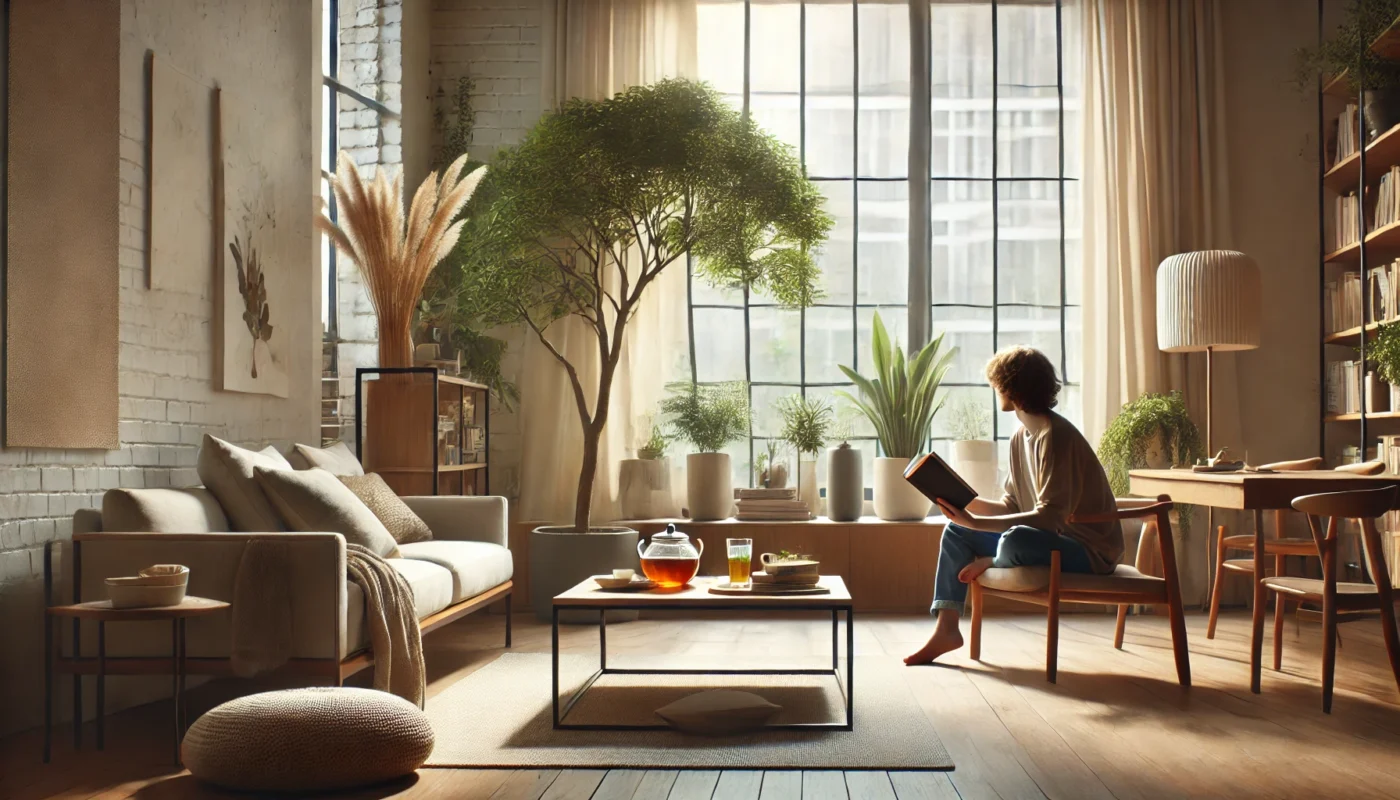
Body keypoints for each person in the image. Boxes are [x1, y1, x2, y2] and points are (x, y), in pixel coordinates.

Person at [904, 345, 1120, 666]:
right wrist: (966, 503)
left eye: (997, 385)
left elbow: (1049, 518)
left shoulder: (1057, 437)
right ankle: (947, 628)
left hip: (1087, 549)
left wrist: (976, 523)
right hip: (1044, 540)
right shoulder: (1021, 437)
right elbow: (1012, 504)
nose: (995, 391)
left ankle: (994, 559)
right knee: (956, 531)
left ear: (1012, 390)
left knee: (1015, 538)